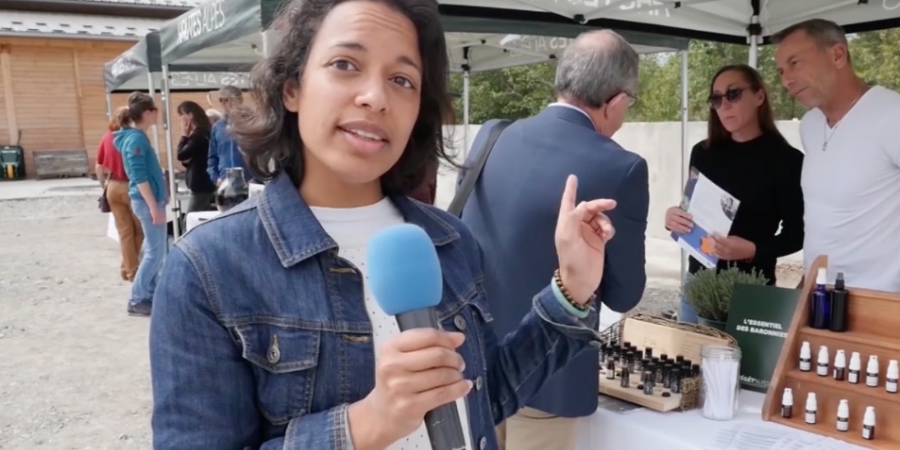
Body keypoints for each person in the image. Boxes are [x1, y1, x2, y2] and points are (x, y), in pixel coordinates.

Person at [148, 1, 616, 449]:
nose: (375, 98)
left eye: (401, 79)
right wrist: (368, 423)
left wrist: (573, 288)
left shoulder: (449, 241)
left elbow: (485, 398)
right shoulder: (209, 268)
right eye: (345, 64)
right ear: (292, 88)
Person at [457, 30, 648, 450]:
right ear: (616, 100)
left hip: (472, 363)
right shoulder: (622, 168)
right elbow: (625, 294)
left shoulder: (492, 135)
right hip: (549, 376)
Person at [665, 64, 804, 323]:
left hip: (752, 290)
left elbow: (797, 234)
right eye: (716, 99)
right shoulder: (703, 153)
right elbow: (691, 210)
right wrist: (674, 218)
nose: (725, 105)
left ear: (759, 96)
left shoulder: (788, 161)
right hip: (699, 286)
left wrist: (752, 249)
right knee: (689, 351)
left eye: (733, 94)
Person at [774, 19, 900, 292]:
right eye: (781, 71)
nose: (786, 80)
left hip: (879, 304)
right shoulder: (810, 125)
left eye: (795, 63)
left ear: (838, 55)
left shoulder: (892, 115)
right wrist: (806, 281)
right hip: (819, 297)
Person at [114, 92, 166, 317]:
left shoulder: (137, 137)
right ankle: (138, 298)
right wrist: (153, 205)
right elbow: (138, 176)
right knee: (155, 252)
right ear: (146, 113)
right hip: (146, 201)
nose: (156, 114)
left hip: (147, 200)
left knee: (155, 250)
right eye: (154, 110)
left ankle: (148, 294)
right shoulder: (136, 139)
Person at [96, 106, 143, 281]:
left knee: (124, 231)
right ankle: (131, 269)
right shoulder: (133, 137)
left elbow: (99, 166)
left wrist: (103, 185)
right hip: (131, 185)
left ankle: (128, 268)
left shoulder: (107, 137)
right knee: (139, 229)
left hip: (113, 185)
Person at [175, 101, 217, 212]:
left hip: (201, 186)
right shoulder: (202, 132)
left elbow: (181, 155)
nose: (179, 119)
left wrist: (184, 135)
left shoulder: (200, 134)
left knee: (191, 217)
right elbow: (187, 159)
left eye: (181, 115)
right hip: (202, 184)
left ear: (190, 115)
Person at [207, 85, 251, 185]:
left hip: (248, 180)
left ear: (238, 100)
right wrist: (215, 177)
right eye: (220, 100)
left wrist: (256, 178)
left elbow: (260, 154)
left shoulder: (250, 123)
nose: (223, 104)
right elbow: (212, 156)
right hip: (225, 181)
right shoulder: (218, 127)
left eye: (227, 100)